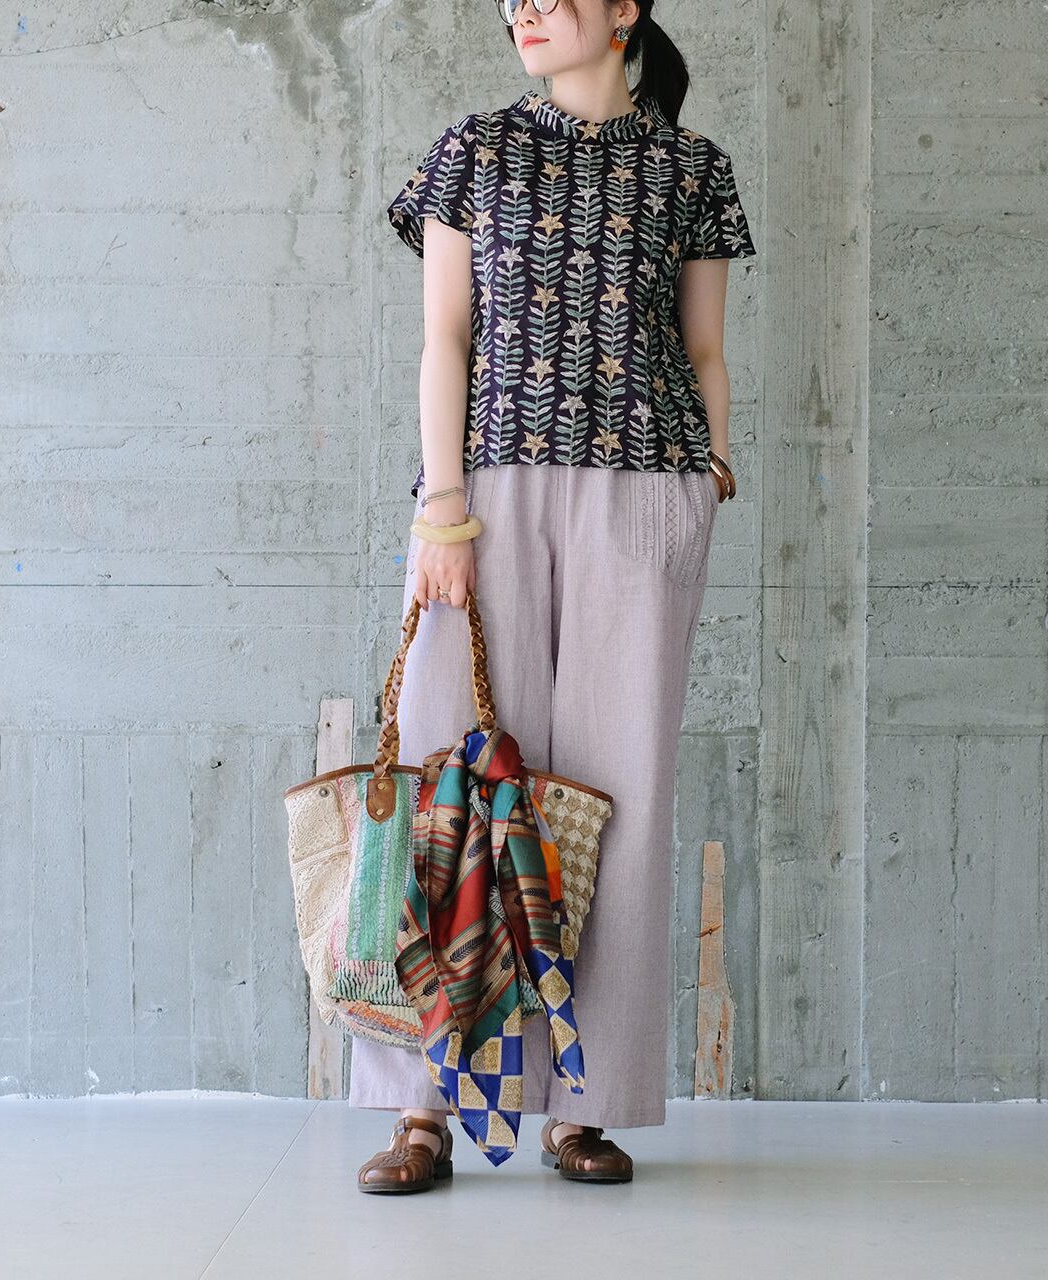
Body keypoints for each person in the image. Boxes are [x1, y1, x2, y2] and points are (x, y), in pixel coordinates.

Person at [353, 0, 756, 1193]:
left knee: (616, 795)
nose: (525, 7)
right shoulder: (473, 149)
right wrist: (440, 504)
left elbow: (702, 348)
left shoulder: (692, 168)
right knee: (447, 781)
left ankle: (586, 1101)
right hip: (486, 492)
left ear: (625, 9)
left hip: (643, 493)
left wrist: (710, 468)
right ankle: (422, 1102)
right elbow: (444, 339)